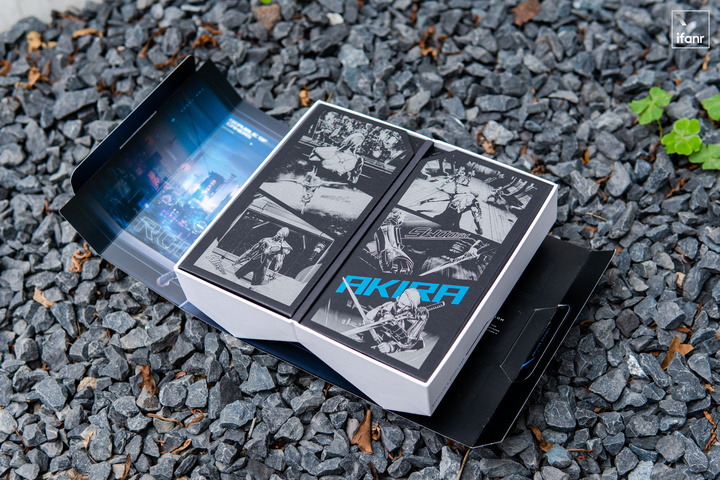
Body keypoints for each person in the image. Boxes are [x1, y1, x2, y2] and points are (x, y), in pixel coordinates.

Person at [362, 289, 429, 354]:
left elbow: (416, 343)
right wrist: (370, 323)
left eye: (407, 307)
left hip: (381, 345)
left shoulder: (410, 321)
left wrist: (391, 347)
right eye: (402, 303)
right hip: (369, 336)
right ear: (398, 299)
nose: (402, 308)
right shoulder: (389, 305)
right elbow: (371, 315)